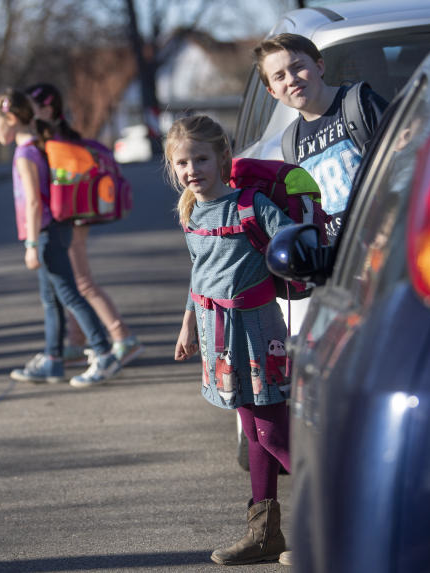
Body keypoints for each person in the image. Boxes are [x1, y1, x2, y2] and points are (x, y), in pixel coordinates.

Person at [167, 115, 292, 566]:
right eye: (182, 162)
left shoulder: (251, 205)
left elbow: (293, 244)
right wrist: (187, 324)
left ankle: (342, 516)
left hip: (258, 334)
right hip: (216, 336)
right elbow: (198, 272)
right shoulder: (191, 212)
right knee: (254, 435)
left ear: (223, 158)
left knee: (274, 432)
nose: (191, 169)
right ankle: (263, 537)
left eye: (200, 158)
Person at [0, 88, 120, 388]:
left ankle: (104, 352)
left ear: (10, 118)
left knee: (68, 294)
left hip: (45, 233)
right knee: (51, 300)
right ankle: (53, 360)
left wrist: (31, 245)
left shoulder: (26, 152)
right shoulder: (36, 147)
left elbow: (33, 202)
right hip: (54, 230)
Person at [26, 83, 144, 367]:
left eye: (30, 109)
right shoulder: (58, 137)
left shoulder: (51, 140)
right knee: (70, 281)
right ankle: (77, 344)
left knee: (80, 282)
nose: (26, 116)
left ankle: (122, 337)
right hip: (70, 216)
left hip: (69, 218)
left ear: (47, 108)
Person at [255, 33, 388, 243]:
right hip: (337, 262)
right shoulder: (290, 142)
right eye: (279, 76)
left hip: (385, 245)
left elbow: (405, 167)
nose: (291, 79)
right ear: (272, 92)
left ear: (319, 66)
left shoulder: (359, 104)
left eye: (298, 66)